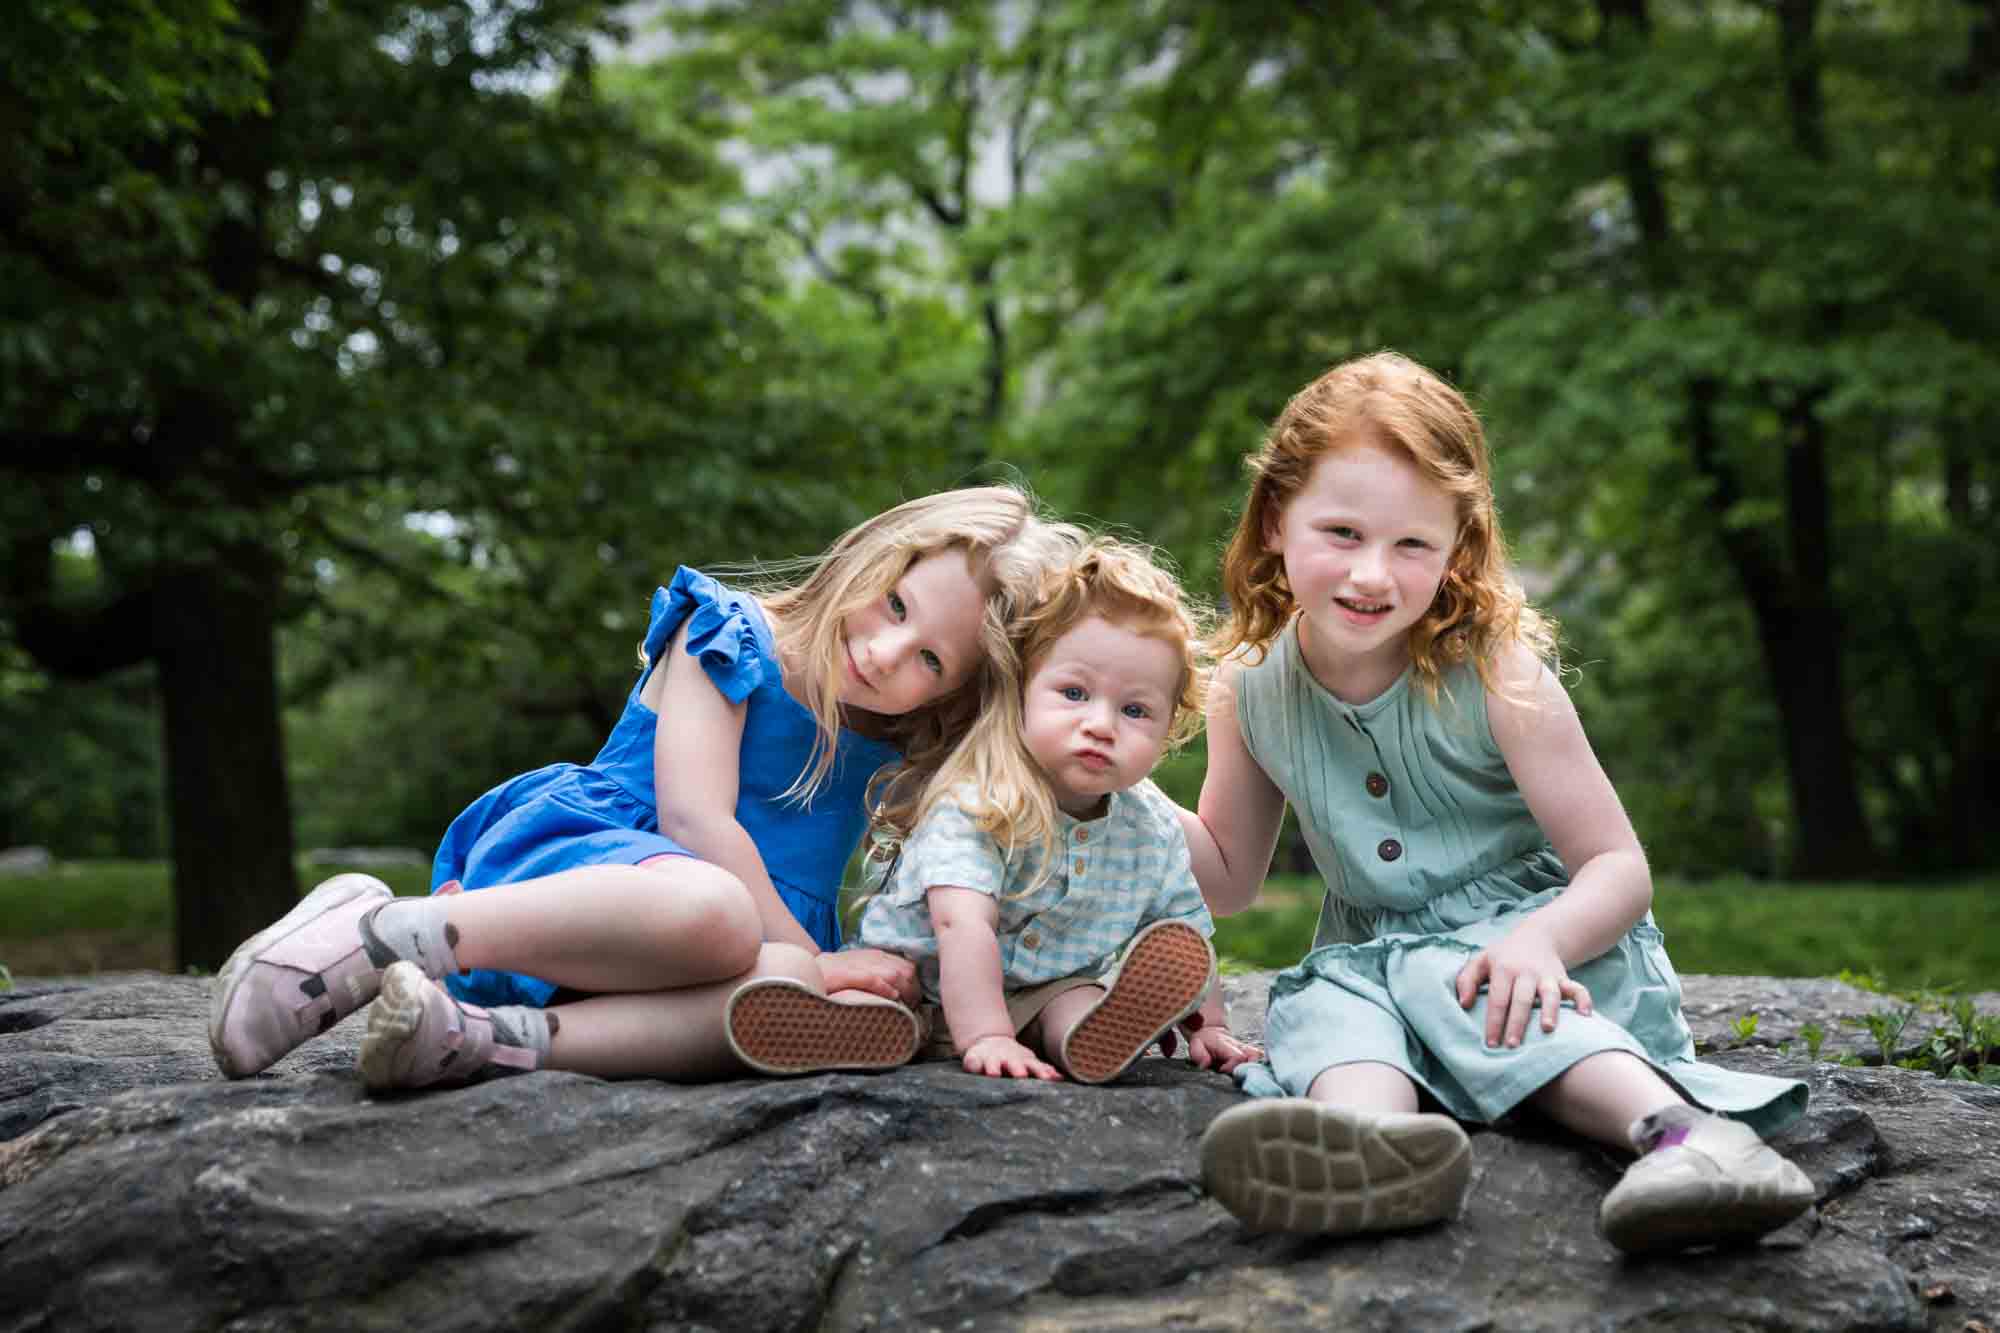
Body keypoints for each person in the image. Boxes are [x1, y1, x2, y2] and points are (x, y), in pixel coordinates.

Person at [1183, 352, 1813, 1254]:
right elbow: (1229, 875)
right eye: (1342, 532)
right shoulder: (1248, 687)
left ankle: (1691, 1139)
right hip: (1377, 959)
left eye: (1412, 545)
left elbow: (1620, 869)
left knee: (1472, 988)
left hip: (1541, 950)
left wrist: (1542, 939)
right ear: (1277, 519)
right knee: (1317, 1006)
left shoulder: (1494, 673)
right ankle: (1374, 1152)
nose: (1372, 574)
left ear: (1457, 547)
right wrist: (1112, 797)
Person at [208, 485, 1083, 1088]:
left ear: (954, 692)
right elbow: (696, 820)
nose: (886, 652)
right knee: (731, 920)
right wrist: (822, 957)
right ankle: (384, 935)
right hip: (598, 878)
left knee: (781, 991)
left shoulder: (897, 743)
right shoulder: (733, 635)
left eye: (929, 657)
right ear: (873, 554)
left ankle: (486, 1044)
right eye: (895, 605)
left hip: (695, 964)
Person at [725, 538, 1264, 1085]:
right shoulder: (980, 799)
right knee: (882, 1005)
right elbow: (961, 923)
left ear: (1169, 728)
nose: (1102, 725)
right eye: (1074, 693)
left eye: (1134, 710)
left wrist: (1209, 1023)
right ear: (1022, 690)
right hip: (917, 982)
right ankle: (828, 1028)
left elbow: (1183, 929)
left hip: (1040, 992)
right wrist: (987, 1036)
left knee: (1077, 1000)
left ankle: (1100, 1034)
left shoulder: (1152, 827)